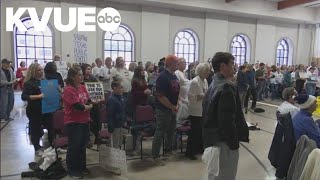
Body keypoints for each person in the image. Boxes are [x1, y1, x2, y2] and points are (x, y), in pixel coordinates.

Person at [203, 52, 249, 180]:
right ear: (223, 66)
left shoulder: (213, 84)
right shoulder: (227, 88)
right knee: (226, 175)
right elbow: (227, 121)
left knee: (215, 175)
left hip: (213, 139)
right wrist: (233, 143)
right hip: (224, 142)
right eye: (232, 64)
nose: (234, 68)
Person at [63, 66, 93, 179]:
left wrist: (88, 105)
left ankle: (81, 167)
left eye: (82, 74)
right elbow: (78, 106)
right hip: (73, 122)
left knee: (82, 146)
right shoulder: (69, 89)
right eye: (79, 75)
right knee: (74, 147)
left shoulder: (82, 87)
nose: (82, 76)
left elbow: (88, 100)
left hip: (84, 120)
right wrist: (88, 106)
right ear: (72, 77)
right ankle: (72, 170)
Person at [152, 55, 180, 166]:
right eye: (176, 62)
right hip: (163, 109)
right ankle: (155, 156)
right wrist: (171, 106)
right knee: (160, 132)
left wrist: (175, 105)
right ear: (170, 64)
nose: (178, 64)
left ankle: (168, 150)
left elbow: (176, 92)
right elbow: (161, 96)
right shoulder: (163, 77)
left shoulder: (174, 76)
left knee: (171, 131)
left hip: (173, 108)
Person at [186, 63, 210, 160]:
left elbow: (206, 92)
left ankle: (199, 148)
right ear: (201, 71)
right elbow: (191, 97)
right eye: (207, 71)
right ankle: (190, 152)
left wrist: (205, 95)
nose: (208, 73)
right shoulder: (195, 82)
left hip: (203, 109)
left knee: (201, 131)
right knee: (194, 132)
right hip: (195, 110)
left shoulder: (204, 80)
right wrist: (203, 95)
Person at [21, 63, 44, 155]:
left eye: (42, 69)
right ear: (33, 71)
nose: (41, 71)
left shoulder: (44, 81)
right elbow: (24, 97)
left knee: (43, 129)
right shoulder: (29, 83)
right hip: (34, 109)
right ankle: (37, 148)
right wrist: (38, 96)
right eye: (39, 70)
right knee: (35, 129)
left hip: (45, 108)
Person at [81, 64, 102, 145]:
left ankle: (97, 137)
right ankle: (87, 139)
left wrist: (99, 97)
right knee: (87, 121)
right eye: (88, 69)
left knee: (97, 120)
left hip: (95, 102)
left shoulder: (92, 78)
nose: (89, 71)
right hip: (86, 103)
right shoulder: (82, 80)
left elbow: (97, 87)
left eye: (90, 69)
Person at [107, 80, 127, 149]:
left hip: (120, 124)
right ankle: (114, 159)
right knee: (115, 146)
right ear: (114, 88)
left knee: (119, 144)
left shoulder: (121, 97)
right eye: (121, 87)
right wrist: (110, 129)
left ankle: (118, 158)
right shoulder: (112, 99)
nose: (122, 89)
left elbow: (123, 111)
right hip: (115, 126)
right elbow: (110, 115)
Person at [174, 58, 190, 127]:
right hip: (181, 99)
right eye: (184, 63)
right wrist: (180, 99)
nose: (185, 64)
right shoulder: (177, 73)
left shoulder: (184, 73)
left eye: (185, 63)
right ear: (179, 64)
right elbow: (176, 87)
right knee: (178, 120)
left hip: (186, 98)